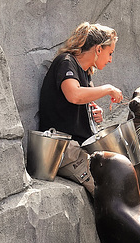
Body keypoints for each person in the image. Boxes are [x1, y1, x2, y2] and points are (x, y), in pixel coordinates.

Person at [38, 22, 123, 195]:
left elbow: (78, 101)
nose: (110, 59)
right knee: (109, 191)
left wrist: (93, 113)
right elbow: (74, 95)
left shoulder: (86, 73)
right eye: (110, 53)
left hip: (80, 147)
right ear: (98, 49)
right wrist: (107, 89)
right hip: (62, 150)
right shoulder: (66, 62)